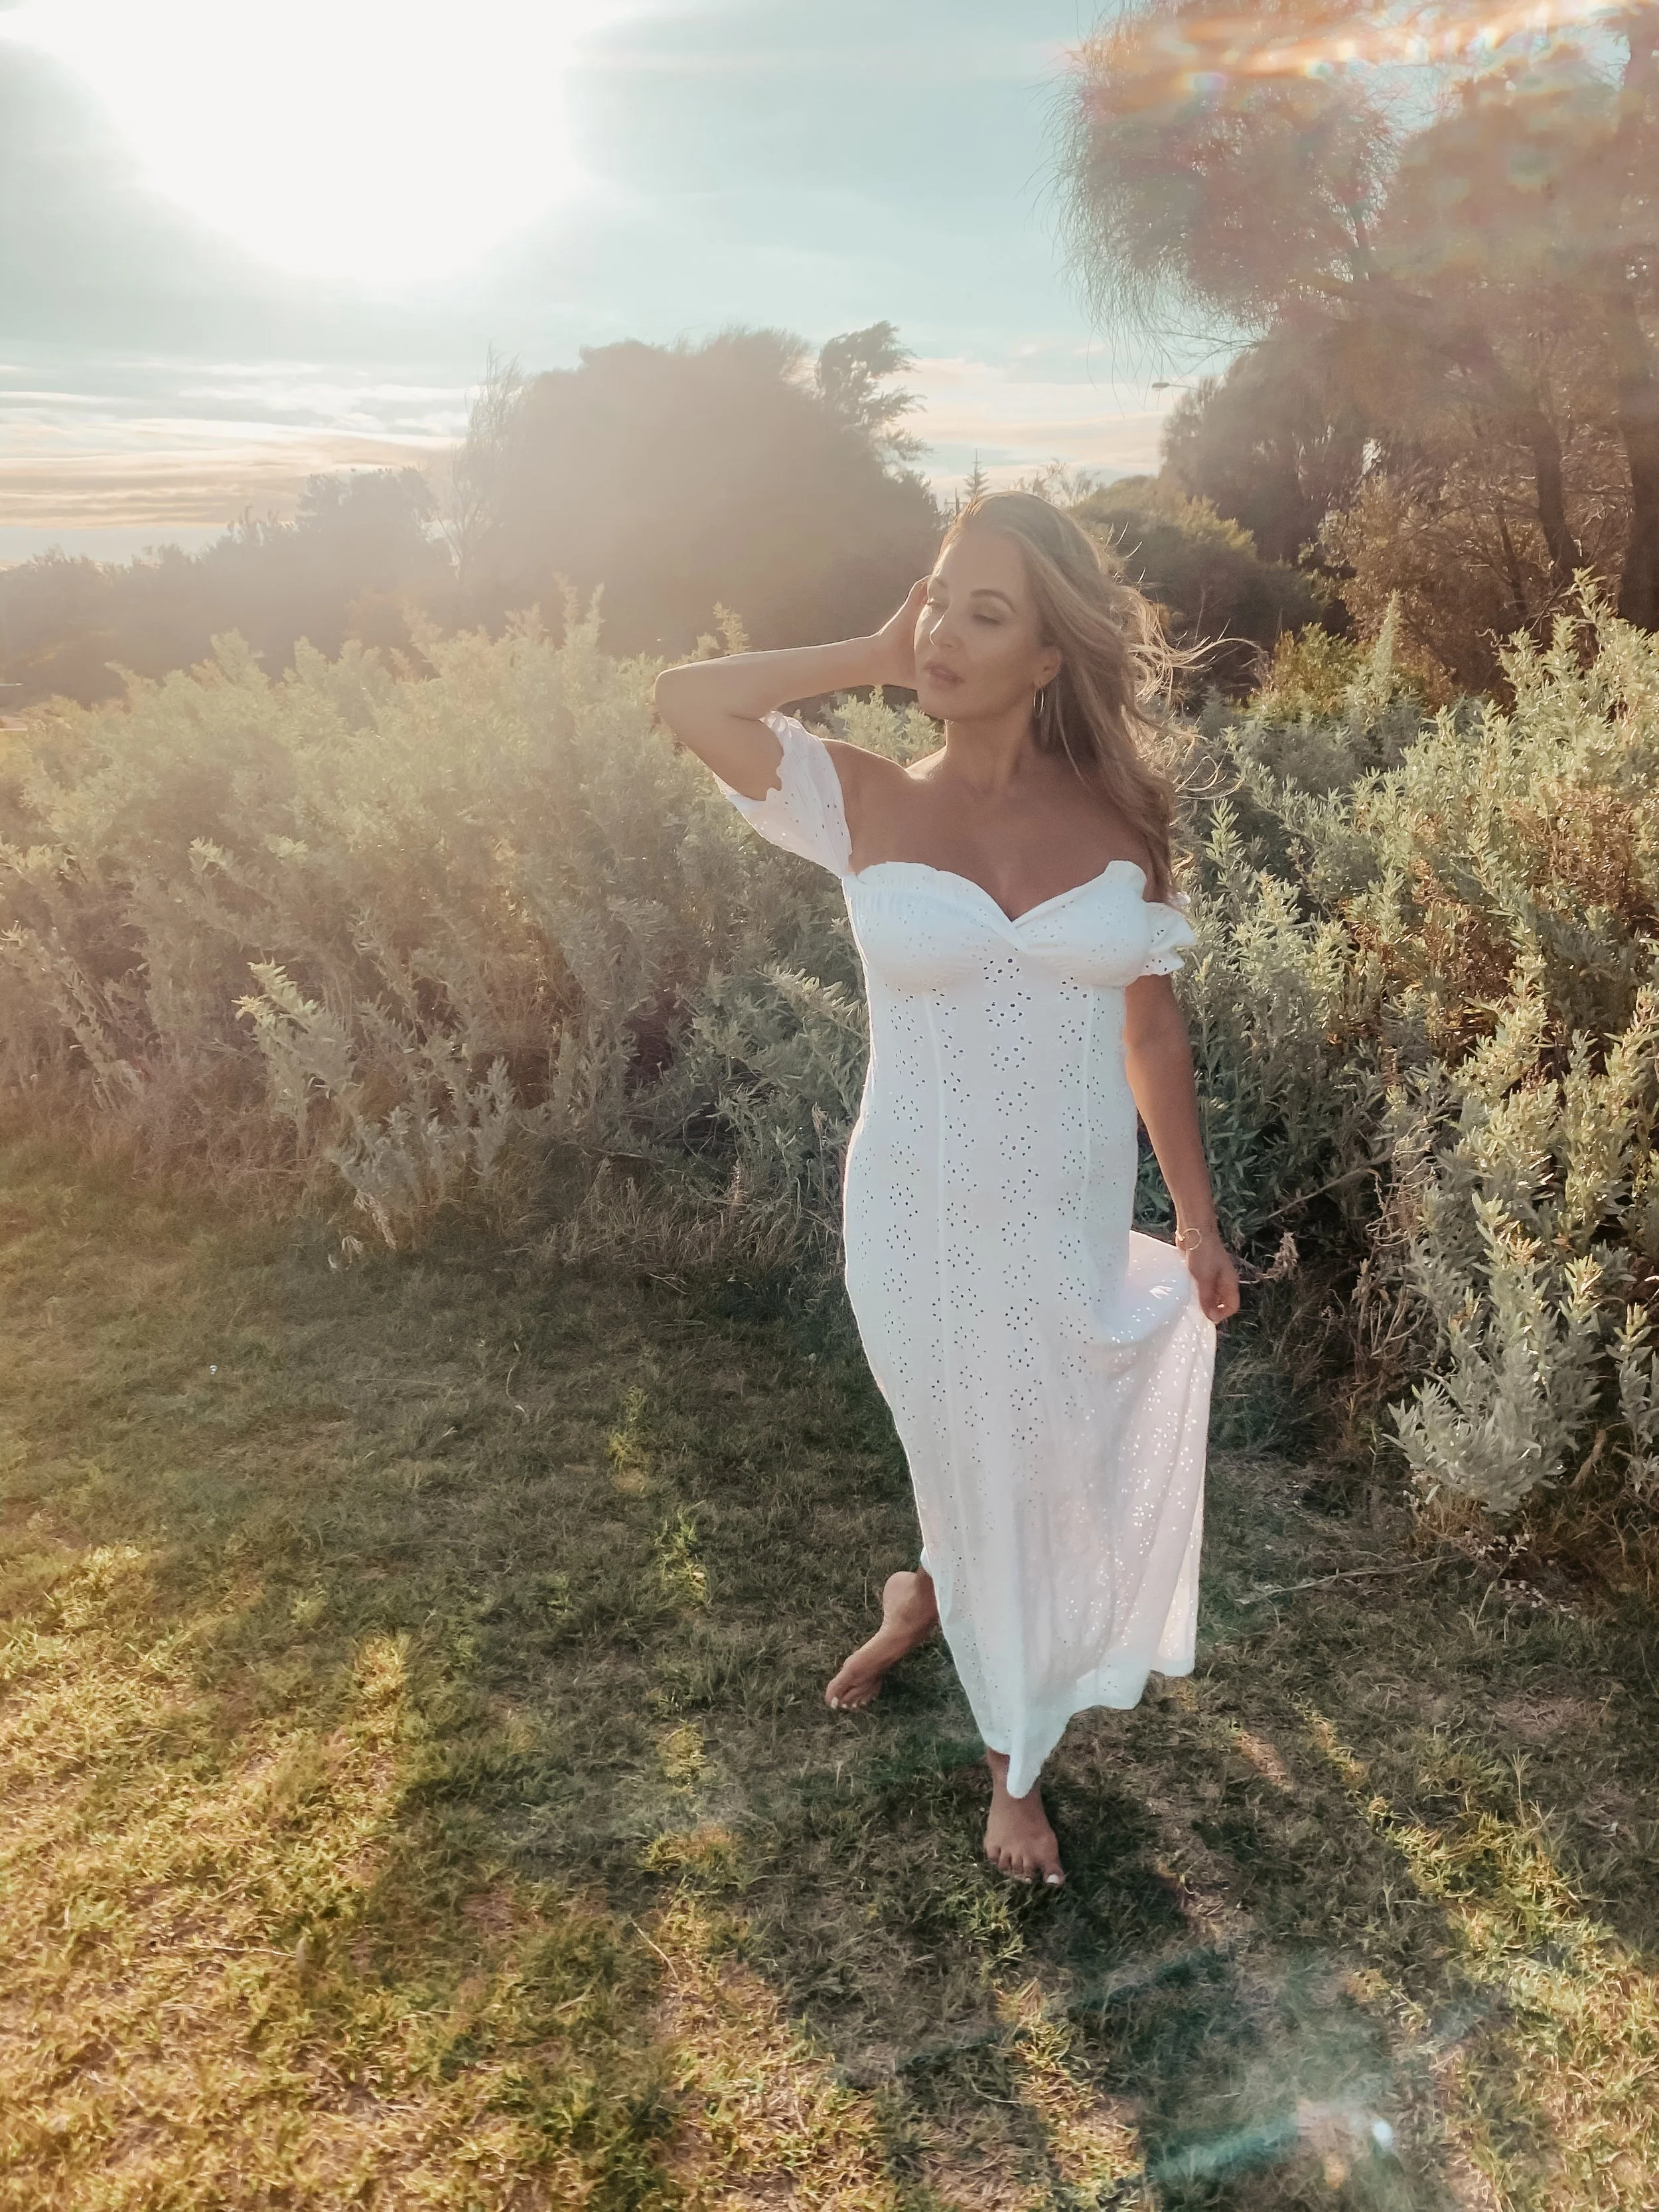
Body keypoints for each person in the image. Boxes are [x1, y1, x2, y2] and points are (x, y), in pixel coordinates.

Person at [653, 490, 1240, 1888]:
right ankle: (1012, 1771)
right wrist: (865, 652)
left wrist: (1198, 1216)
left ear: (1048, 657)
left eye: (988, 614)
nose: (944, 635)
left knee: (1029, 1457)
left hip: (1062, 1211)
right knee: (979, 1453)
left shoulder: (1118, 817)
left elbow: (1150, 1031)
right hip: (913, 1211)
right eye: (935, 600)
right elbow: (687, 700)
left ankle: (923, 1595)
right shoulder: (861, 796)